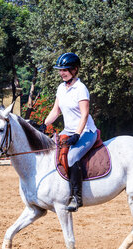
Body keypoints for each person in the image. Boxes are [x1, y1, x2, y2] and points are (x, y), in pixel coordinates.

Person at [43, 52, 98, 212]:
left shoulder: (81, 89)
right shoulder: (61, 88)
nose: (61, 73)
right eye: (60, 70)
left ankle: (76, 197)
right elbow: (55, 111)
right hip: (68, 130)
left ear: (74, 70)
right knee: (51, 152)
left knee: (72, 156)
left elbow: (84, 114)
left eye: (65, 70)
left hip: (86, 131)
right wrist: (44, 124)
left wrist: (77, 135)